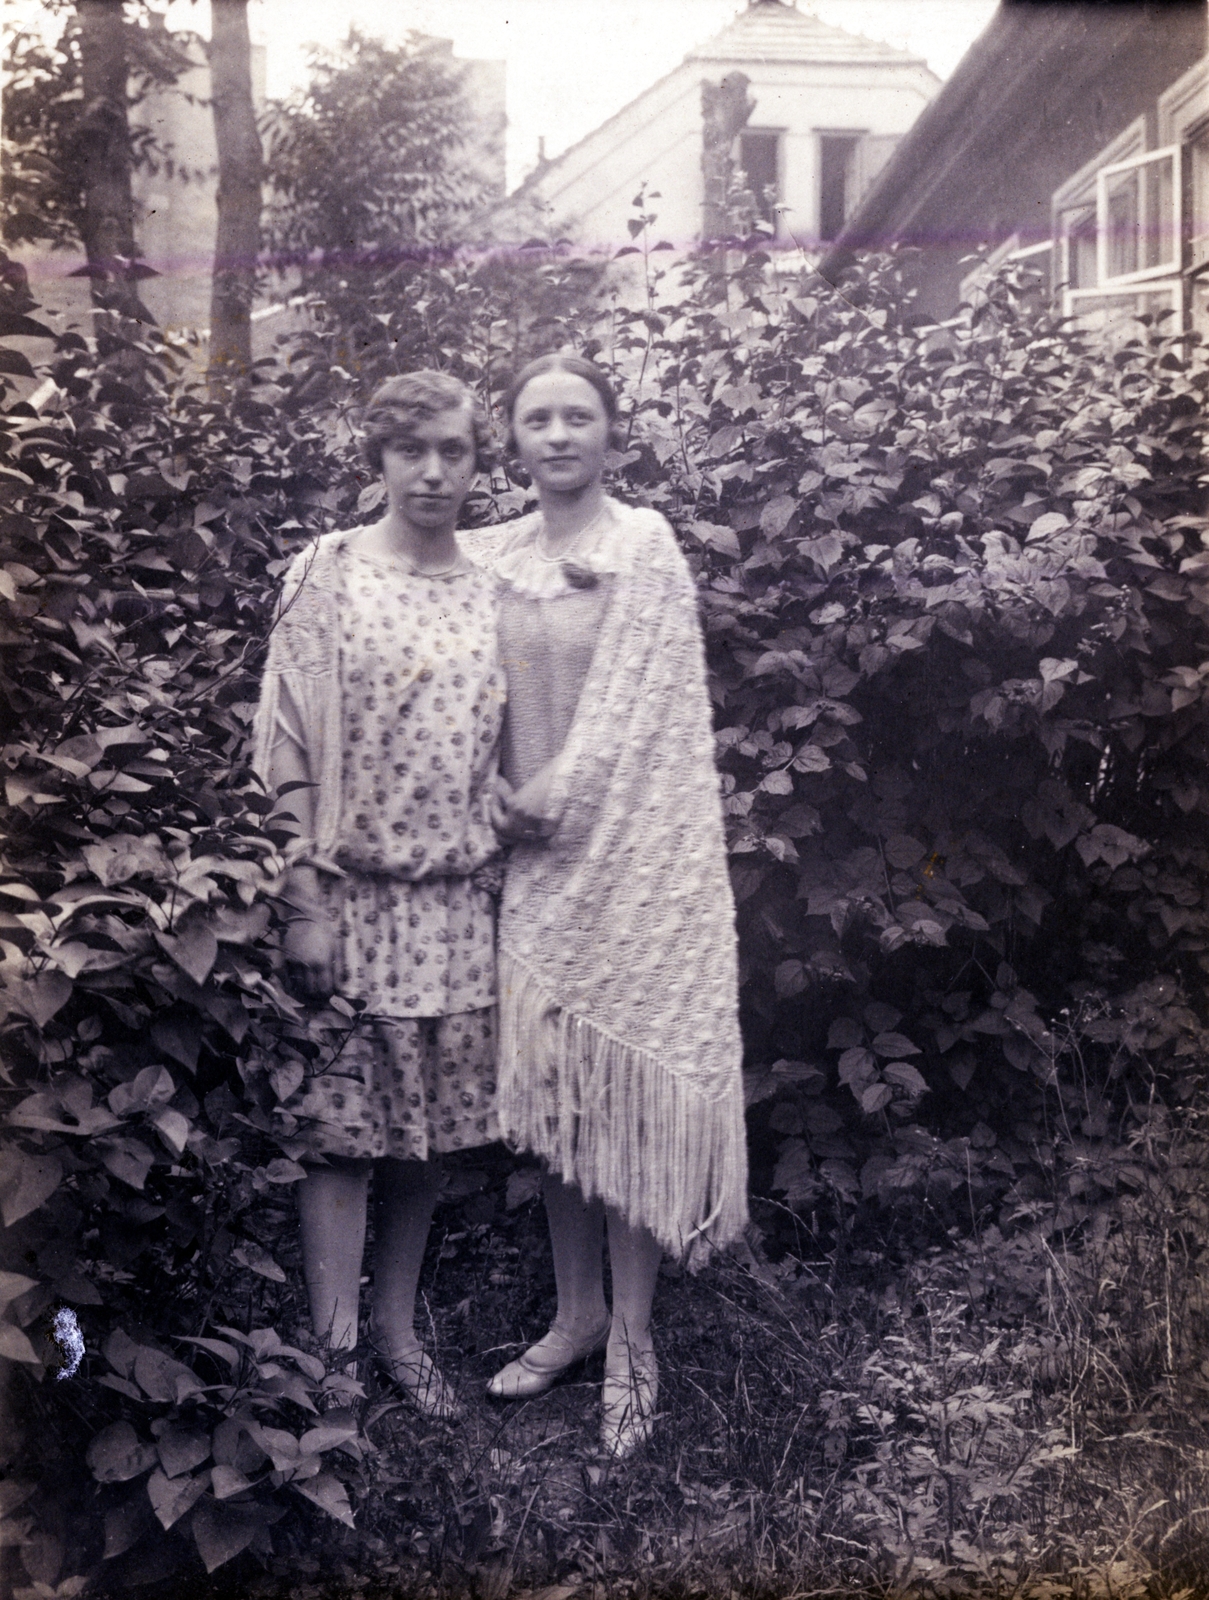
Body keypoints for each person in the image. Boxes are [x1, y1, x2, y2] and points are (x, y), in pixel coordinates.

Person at [482, 352, 748, 1456]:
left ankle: (634, 1337)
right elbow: (451, 687)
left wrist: (558, 792)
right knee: (556, 1100)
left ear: (610, 434)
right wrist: (487, 793)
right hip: (525, 857)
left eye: (576, 416)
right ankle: (575, 1313)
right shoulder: (488, 552)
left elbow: (649, 711)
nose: (556, 434)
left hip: (629, 863)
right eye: (537, 417)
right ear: (513, 436)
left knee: (625, 1080)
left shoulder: (644, 546)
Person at [253, 371, 504, 1419]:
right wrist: (302, 899)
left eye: (452, 449)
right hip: (351, 898)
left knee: (427, 1138)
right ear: (381, 461)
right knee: (341, 1135)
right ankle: (333, 1360)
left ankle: (397, 1329)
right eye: (412, 451)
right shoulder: (331, 573)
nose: (434, 471)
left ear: (476, 459)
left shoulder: (499, 585)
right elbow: (285, 742)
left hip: (456, 905)